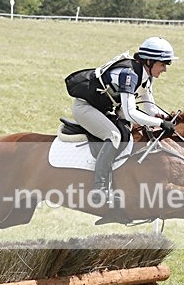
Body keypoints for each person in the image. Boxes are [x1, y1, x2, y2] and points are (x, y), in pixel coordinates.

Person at [66, 36, 178, 205]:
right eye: (163, 64)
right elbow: (130, 112)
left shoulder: (145, 76)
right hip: (85, 108)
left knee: (129, 133)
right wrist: (160, 124)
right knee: (114, 137)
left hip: (103, 109)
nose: (165, 69)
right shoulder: (129, 74)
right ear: (149, 61)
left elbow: (150, 108)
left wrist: (167, 118)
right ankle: (100, 189)